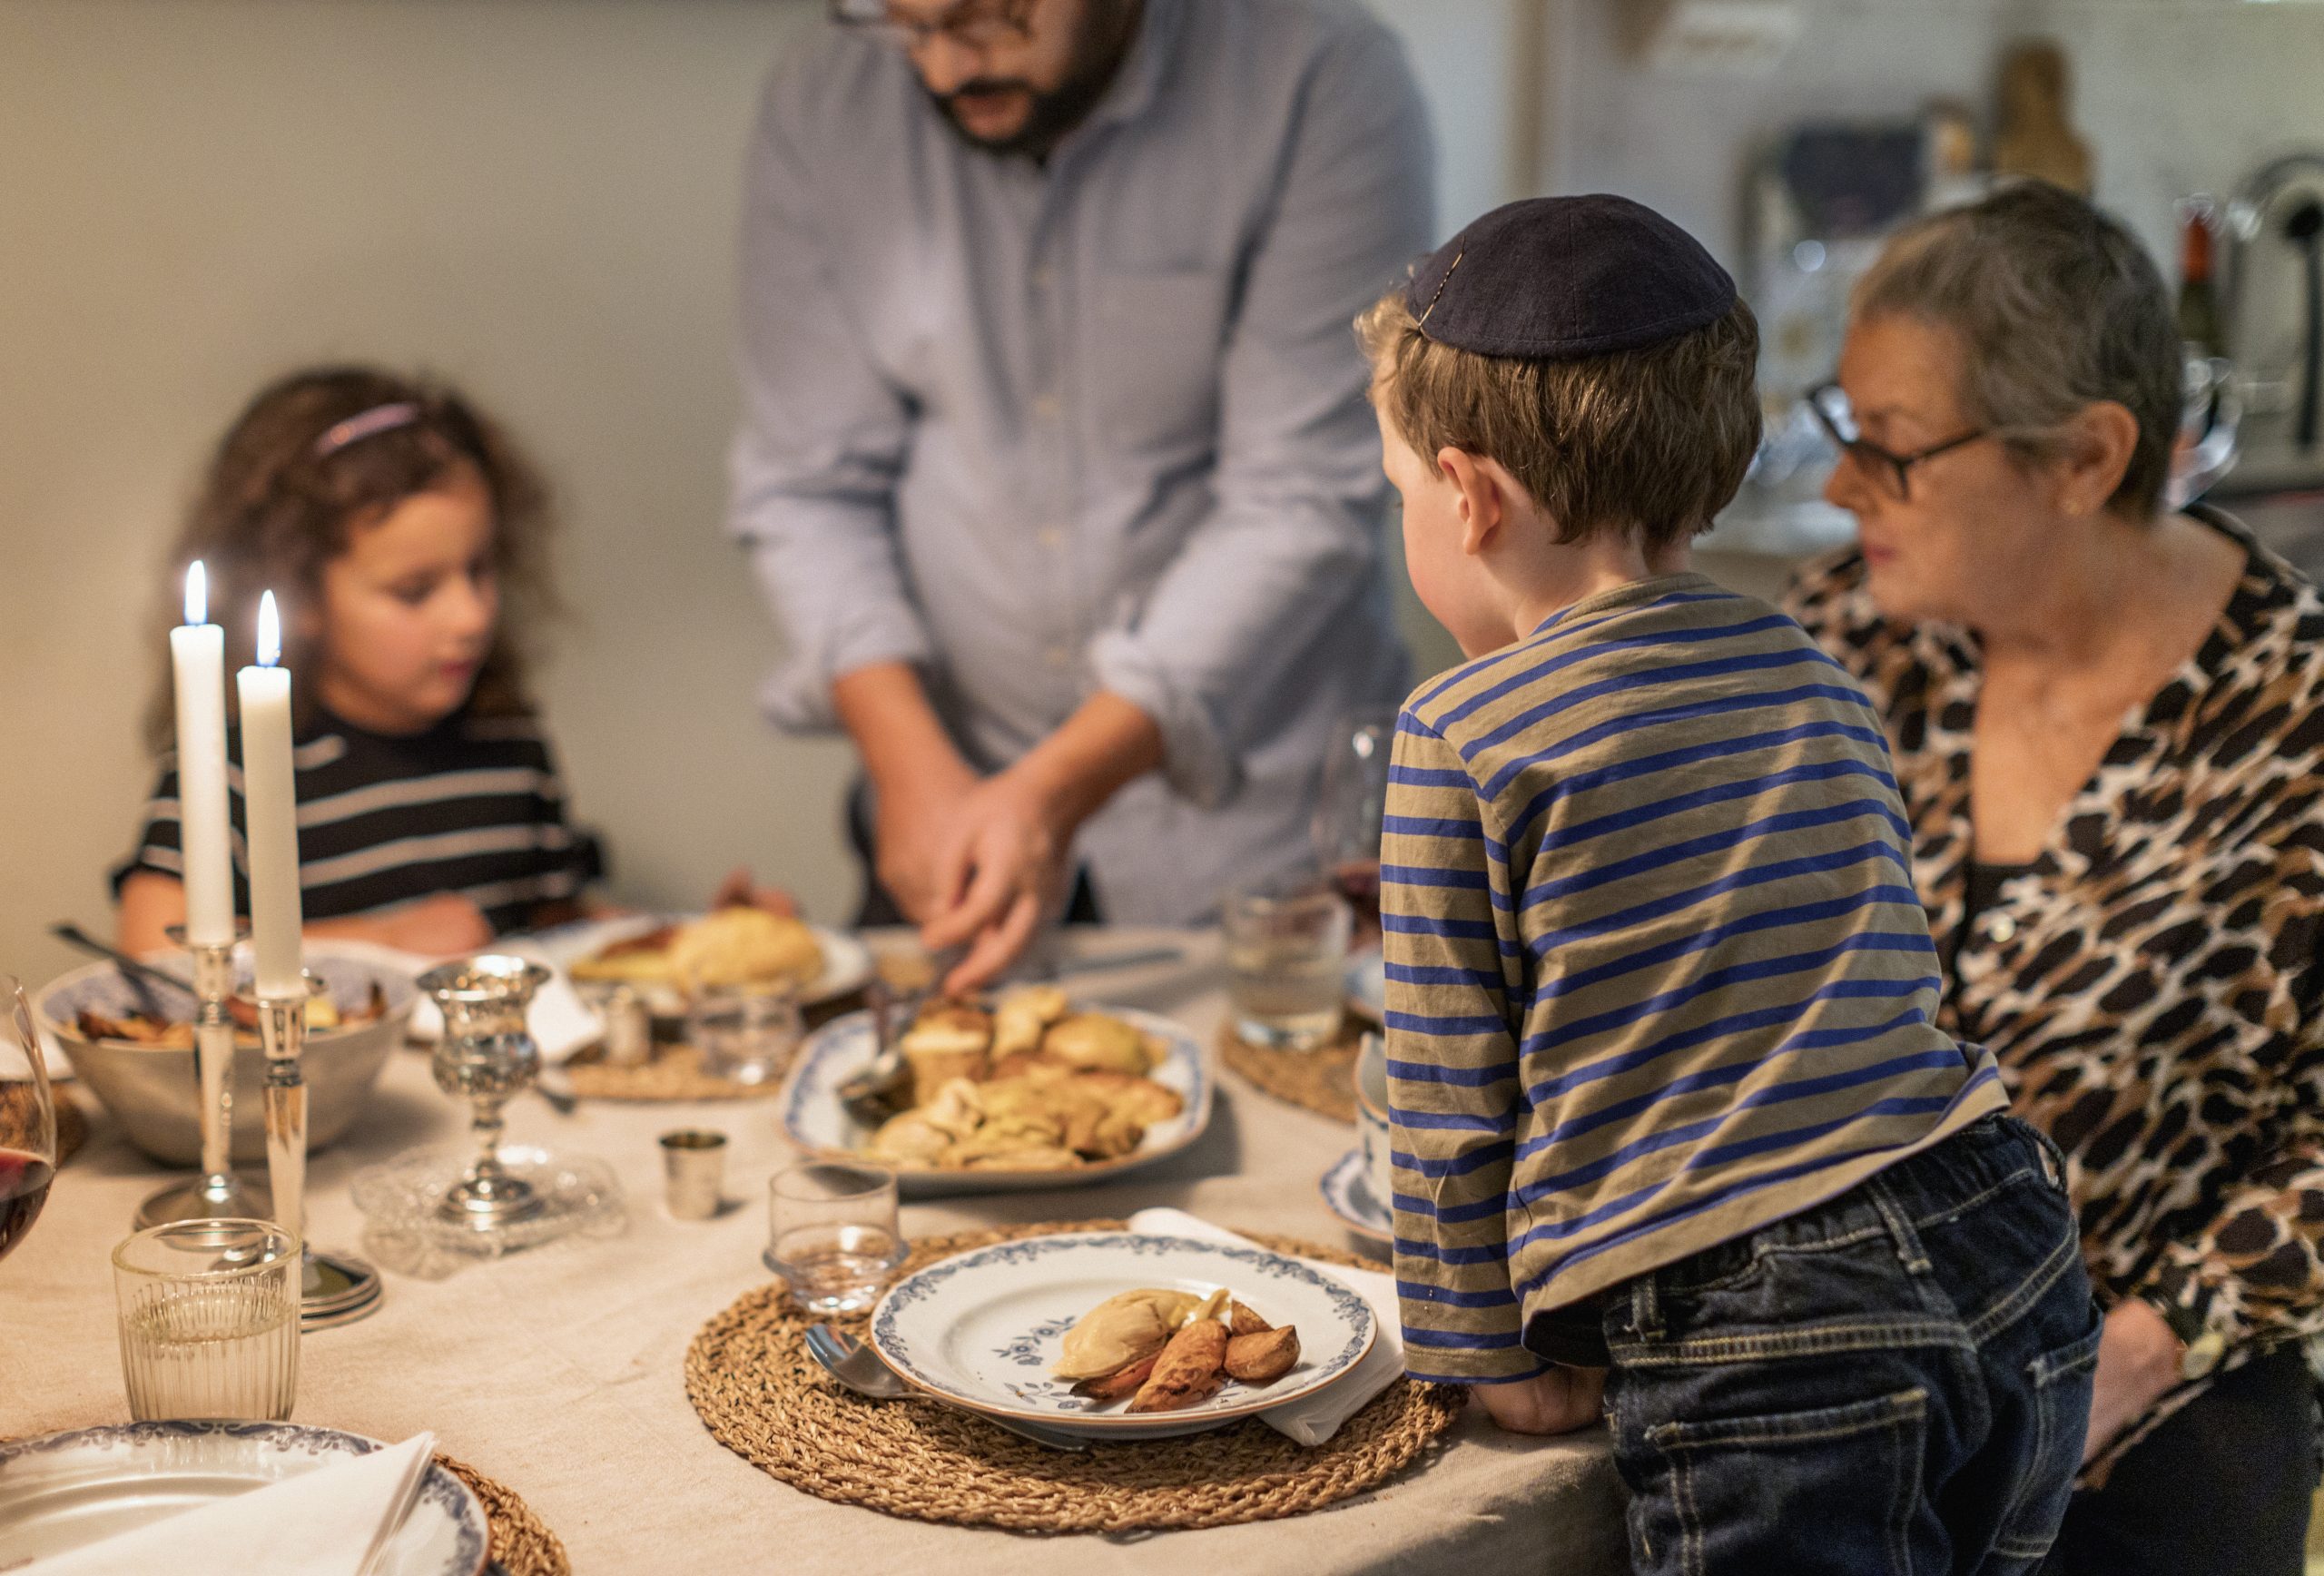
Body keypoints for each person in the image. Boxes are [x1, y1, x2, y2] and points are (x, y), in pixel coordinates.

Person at [1365, 194, 2099, 1574]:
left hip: (1772, 1332)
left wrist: (1488, 1351)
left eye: (1399, 488)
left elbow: (1449, 1092)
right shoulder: (1817, 673)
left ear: (1466, 496)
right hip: (2009, 1239)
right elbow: (1879, 960)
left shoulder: (1459, 731)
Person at [1786, 181, 2324, 1575]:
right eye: (1845, 430)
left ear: (2085, 458)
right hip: (1834, 1373)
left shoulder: (2294, 722)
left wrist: (2139, 1359)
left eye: (1891, 449)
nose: (1844, 489)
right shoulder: (1856, 632)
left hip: (2148, 1414)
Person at [730, 0, 1433, 990]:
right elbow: (808, 485)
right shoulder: (822, 102)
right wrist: (908, 766)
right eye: (905, 24)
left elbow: (1300, 495)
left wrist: (1056, 789)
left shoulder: (1320, 78)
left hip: (1255, 846)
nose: (941, 68)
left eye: (991, 16)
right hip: (950, 801)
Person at [113, 367, 616, 958]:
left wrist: (700, 934)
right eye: (415, 590)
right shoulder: (233, 768)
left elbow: (560, 928)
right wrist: (384, 941)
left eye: (480, 570)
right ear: (300, 597)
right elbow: (154, 948)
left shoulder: (510, 746)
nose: (472, 616)